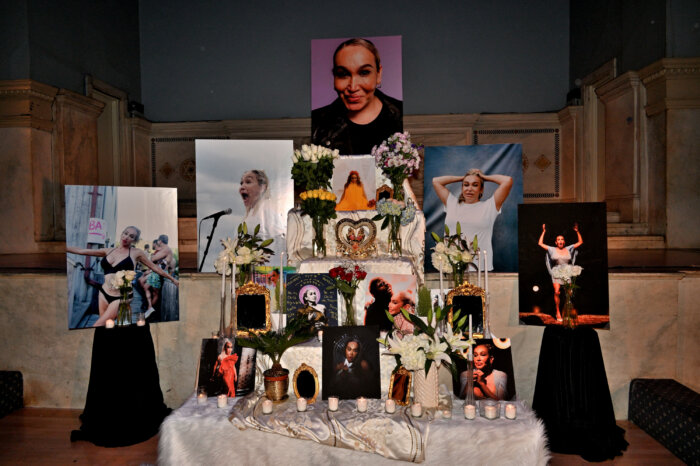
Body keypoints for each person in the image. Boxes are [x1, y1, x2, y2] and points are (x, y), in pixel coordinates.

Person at [67, 226, 179, 327]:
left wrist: (173, 279)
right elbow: (82, 251)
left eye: (131, 236)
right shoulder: (108, 251)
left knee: (97, 325)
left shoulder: (136, 253)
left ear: (134, 240)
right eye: (125, 233)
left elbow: (155, 268)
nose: (126, 237)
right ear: (121, 234)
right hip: (104, 293)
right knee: (105, 325)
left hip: (122, 296)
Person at [312, 38, 403, 155]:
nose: (353, 87)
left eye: (364, 72)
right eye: (343, 74)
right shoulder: (316, 122)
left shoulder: (401, 115)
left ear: (378, 74)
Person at [432, 168, 513, 271]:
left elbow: (507, 181)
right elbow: (436, 181)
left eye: (475, 185)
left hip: (480, 268)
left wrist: (484, 177)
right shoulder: (451, 203)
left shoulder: (490, 206)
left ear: (481, 190)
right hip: (452, 268)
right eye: (466, 185)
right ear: (462, 188)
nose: (469, 189)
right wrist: (463, 177)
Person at [538, 223, 583, 322]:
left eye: (562, 239)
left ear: (564, 241)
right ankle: (557, 311)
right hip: (557, 272)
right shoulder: (552, 249)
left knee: (569, 293)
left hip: (567, 271)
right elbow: (540, 243)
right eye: (558, 240)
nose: (560, 241)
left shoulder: (569, 248)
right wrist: (544, 232)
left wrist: (577, 231)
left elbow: (580, 242)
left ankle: (566, 312)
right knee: (557, 292)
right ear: (556, 242)